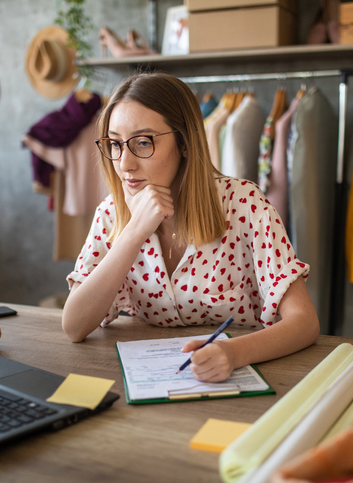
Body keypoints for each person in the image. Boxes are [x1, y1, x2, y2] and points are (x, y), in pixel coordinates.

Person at [62, 73, 320, 383]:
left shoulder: (244, 204)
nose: (124, 164)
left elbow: (305, 322)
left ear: (184, 143)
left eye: (143, 142)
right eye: (115, 144)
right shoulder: (111, 213)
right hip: (148, 380)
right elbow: (74, 326)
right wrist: (133, 233)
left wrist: (234, 353)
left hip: (236, 378)